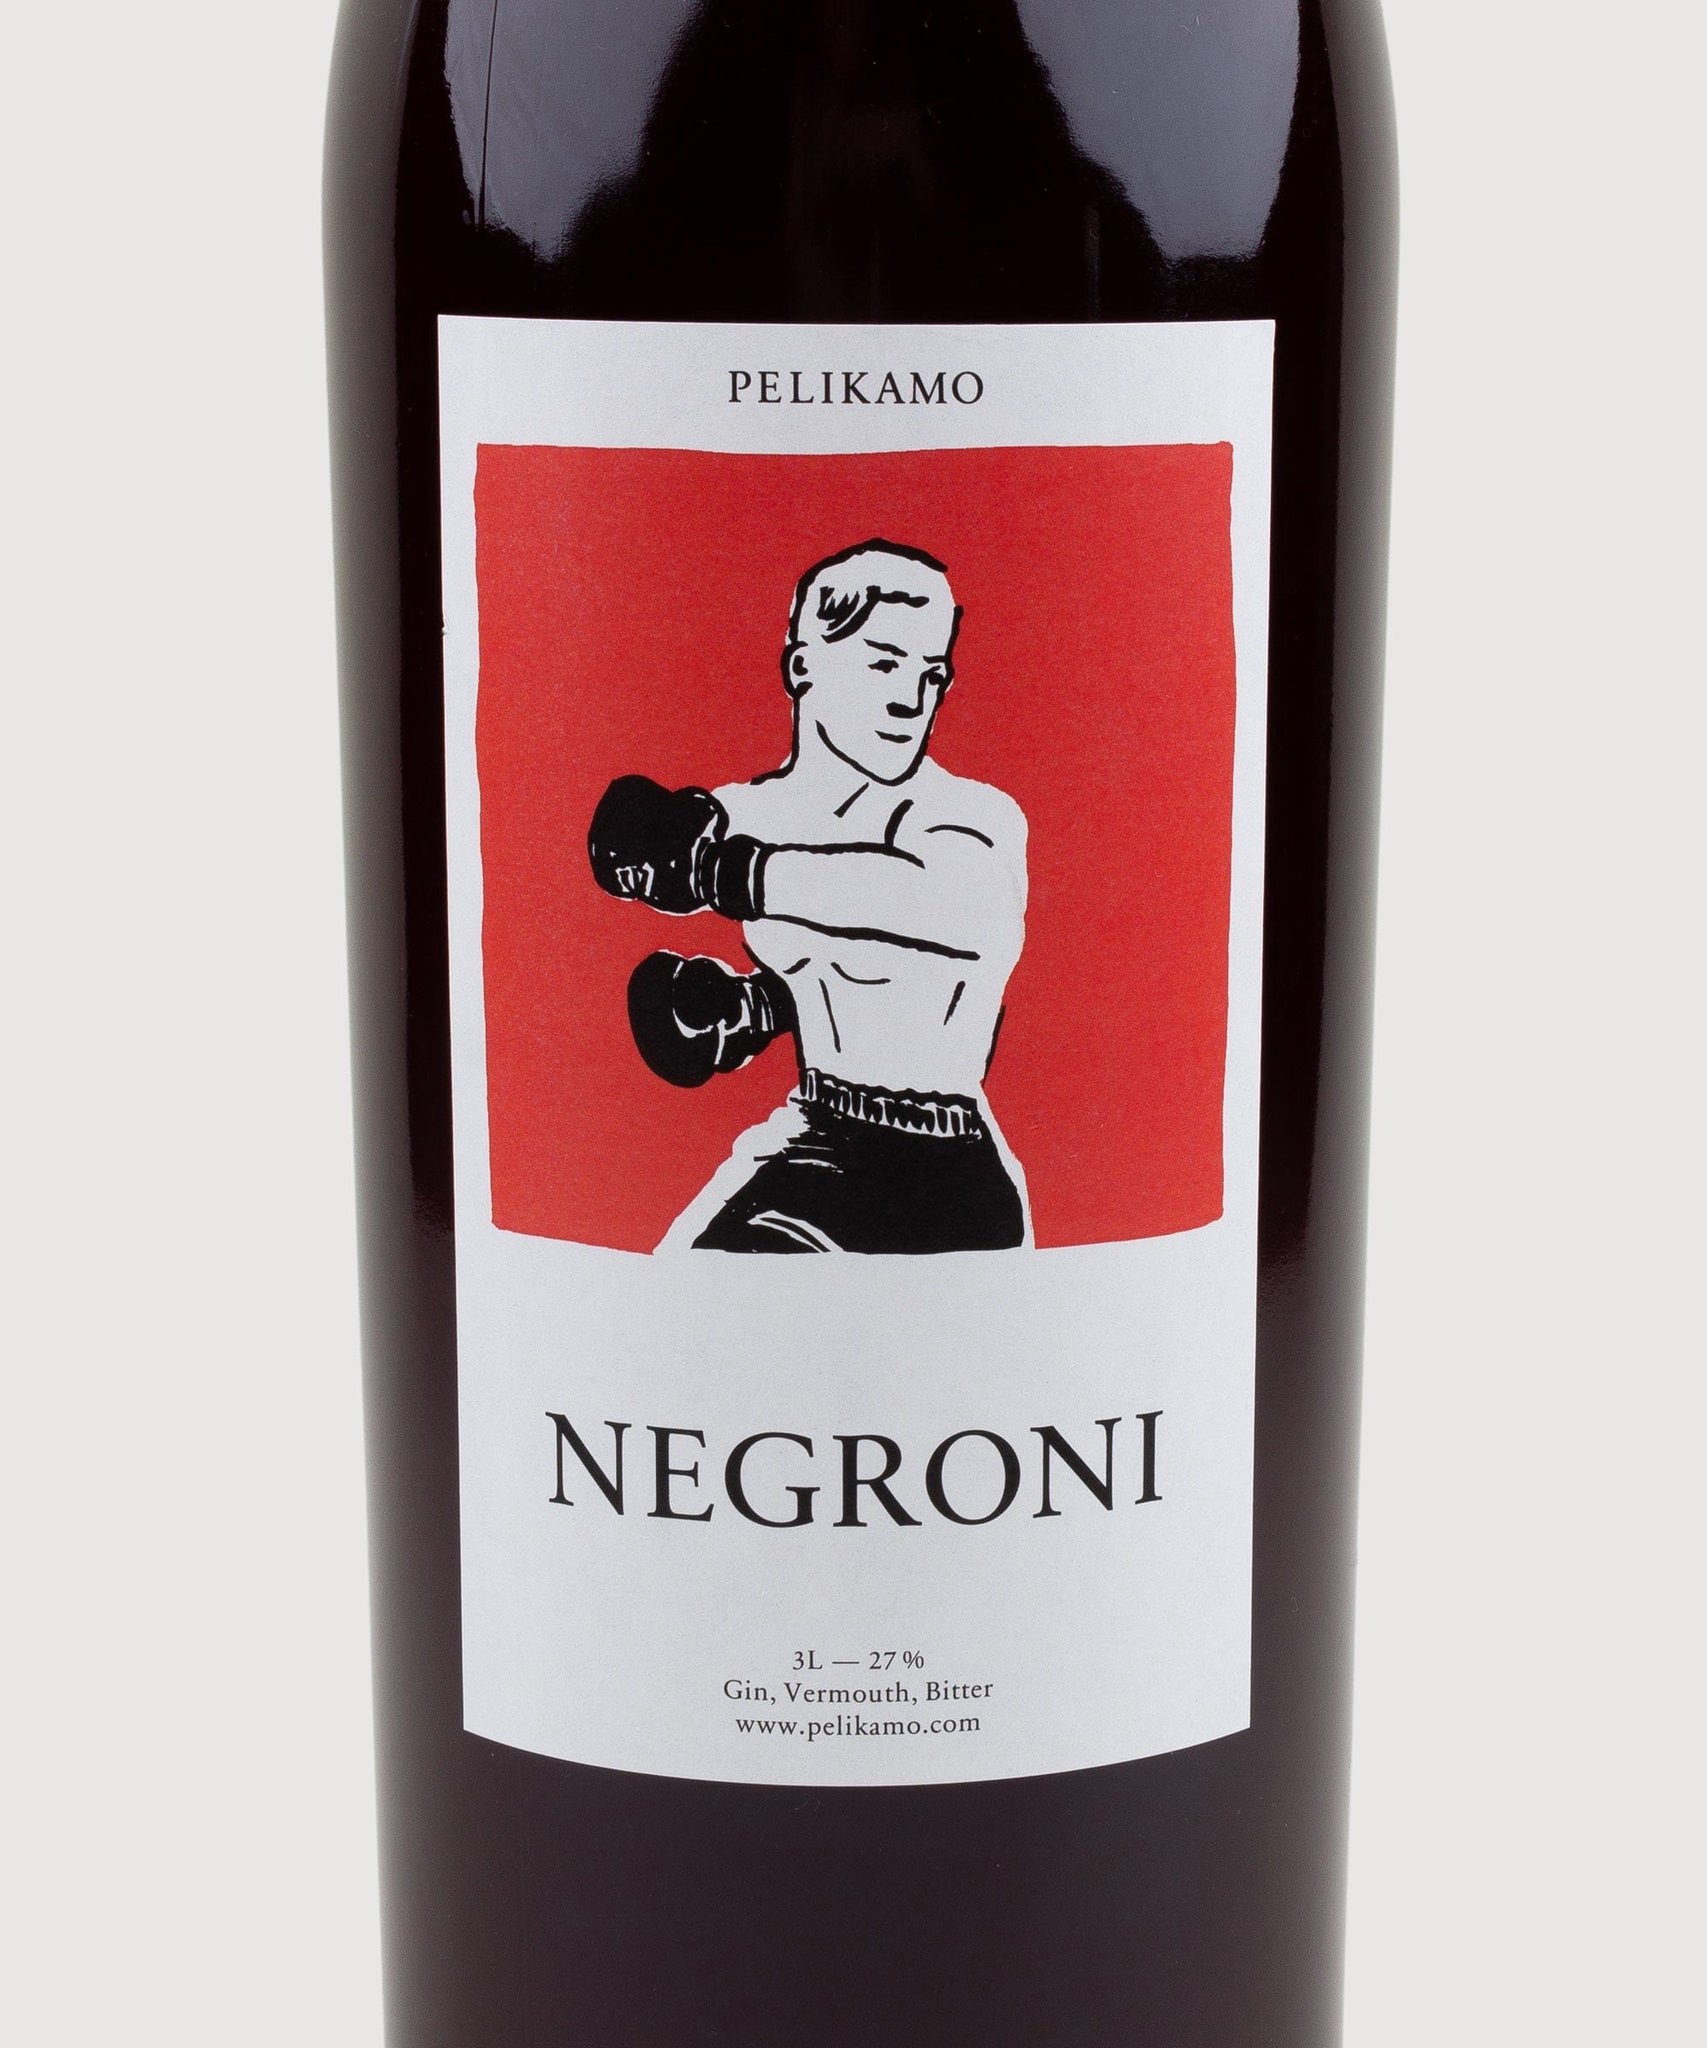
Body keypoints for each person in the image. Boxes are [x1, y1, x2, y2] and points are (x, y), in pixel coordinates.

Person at [588, 539, 1030, 1253]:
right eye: (883, 663)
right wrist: (748, 1010)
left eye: (931, 674)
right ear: (802, 666)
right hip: (817, 1136)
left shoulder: (967, 817)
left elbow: (949, 911)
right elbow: (630, 842)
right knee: (682, 1283)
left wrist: (727, 874)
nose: (910, 700)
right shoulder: (749, 814)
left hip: (944, 1172)